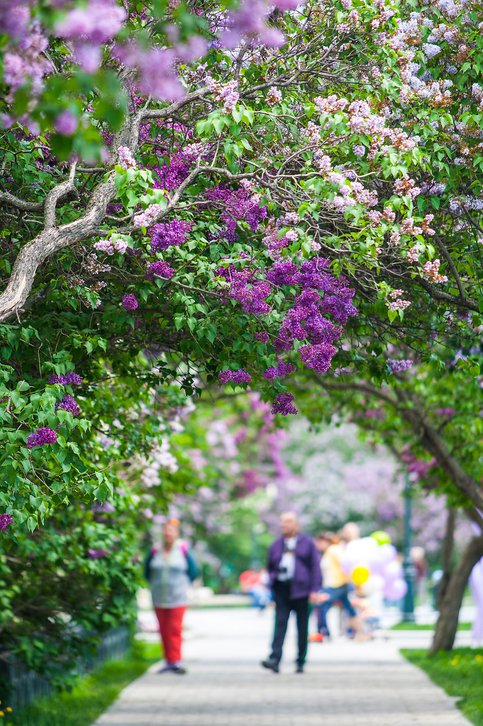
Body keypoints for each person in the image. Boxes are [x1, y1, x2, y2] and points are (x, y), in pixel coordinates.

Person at [261, 512, 321, 674]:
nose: (284, 525)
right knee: (279, 624)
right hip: (282, 588)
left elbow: (315, 567)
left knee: (302, 627)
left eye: (288, 522)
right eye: (282, 522)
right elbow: (270, 566)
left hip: (302, 590)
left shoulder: (307, 544)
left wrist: (314, 589)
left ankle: (300, 660)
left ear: (296, 525)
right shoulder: (276, 545)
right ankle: (274, 658)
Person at [144, 518, 199, 674]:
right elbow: (147, 571)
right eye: (166, 530)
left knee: (175, 629)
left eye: (171, 530)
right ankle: (167, 661)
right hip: (158, 597)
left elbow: (194, 571)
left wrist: (183, 586)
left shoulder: (183, 549)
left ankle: (176, 661)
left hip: (178, 597)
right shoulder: (155, 550)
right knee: (163, 630)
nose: (168, 533)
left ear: (176, 533)